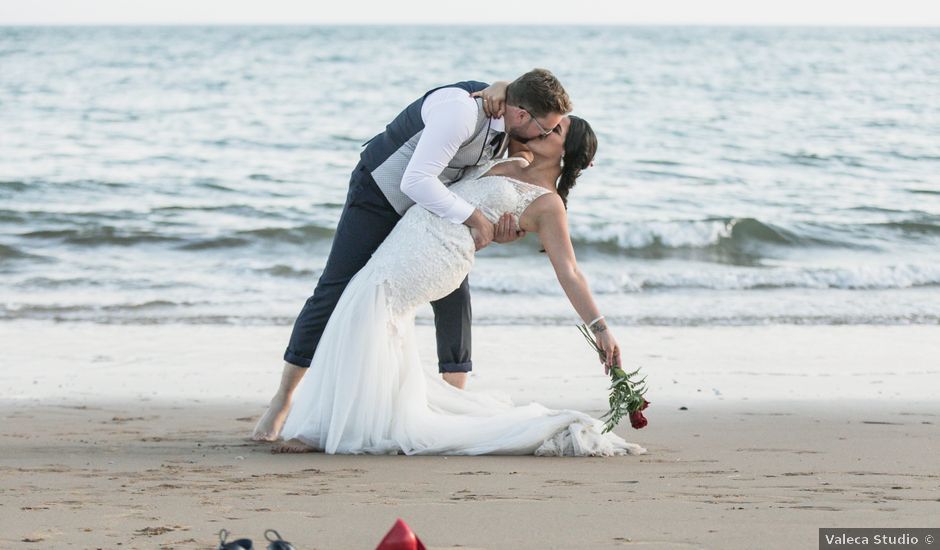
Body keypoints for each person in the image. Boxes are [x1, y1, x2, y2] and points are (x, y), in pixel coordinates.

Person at [272, 115, 647, 456]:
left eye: (557, 130)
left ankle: (328, 429)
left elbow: (569, 271)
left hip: (439, 255)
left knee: (369, 304)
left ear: (567, 152)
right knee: (369, 310)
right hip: (415, 233)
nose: (546, 128)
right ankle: (355, 419)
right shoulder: (514, 157)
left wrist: (601, 329)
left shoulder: (549, 206)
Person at [252, 69, 573, 442]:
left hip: (432, 212)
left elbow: (495, 172)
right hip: (380, 194)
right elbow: (415, 181)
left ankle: (454, 398)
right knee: (334, 288)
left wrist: (503, 226)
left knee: (455, 295)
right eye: (545, 130)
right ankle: (283, 399)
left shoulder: (510, 115)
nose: (545, 137)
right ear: (520, 115)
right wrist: (474, 218)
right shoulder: (461, 111)